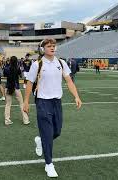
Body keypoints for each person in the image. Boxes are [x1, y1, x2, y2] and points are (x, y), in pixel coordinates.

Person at [23, 38, 82, 178]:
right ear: (43, 49)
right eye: (49, 46)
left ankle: (40, 140)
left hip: (57, 102)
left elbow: (69, 80)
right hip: (42, 102)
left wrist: (76, 96)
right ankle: (49, 164)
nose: (52, 48)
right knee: (48, 133)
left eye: (54, 46)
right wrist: (26, 101)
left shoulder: (61, 63)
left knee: (57, 131)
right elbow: (30, 83)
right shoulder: (37, 64)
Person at [4, 56, 29, 125]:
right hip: (16, 87)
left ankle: (7, 120)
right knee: (21, 103)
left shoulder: (6, 68)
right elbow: (21, 76)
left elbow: (4, 74)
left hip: (8, 87)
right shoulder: (17, 68)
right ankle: (26, 120)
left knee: (8, 104)